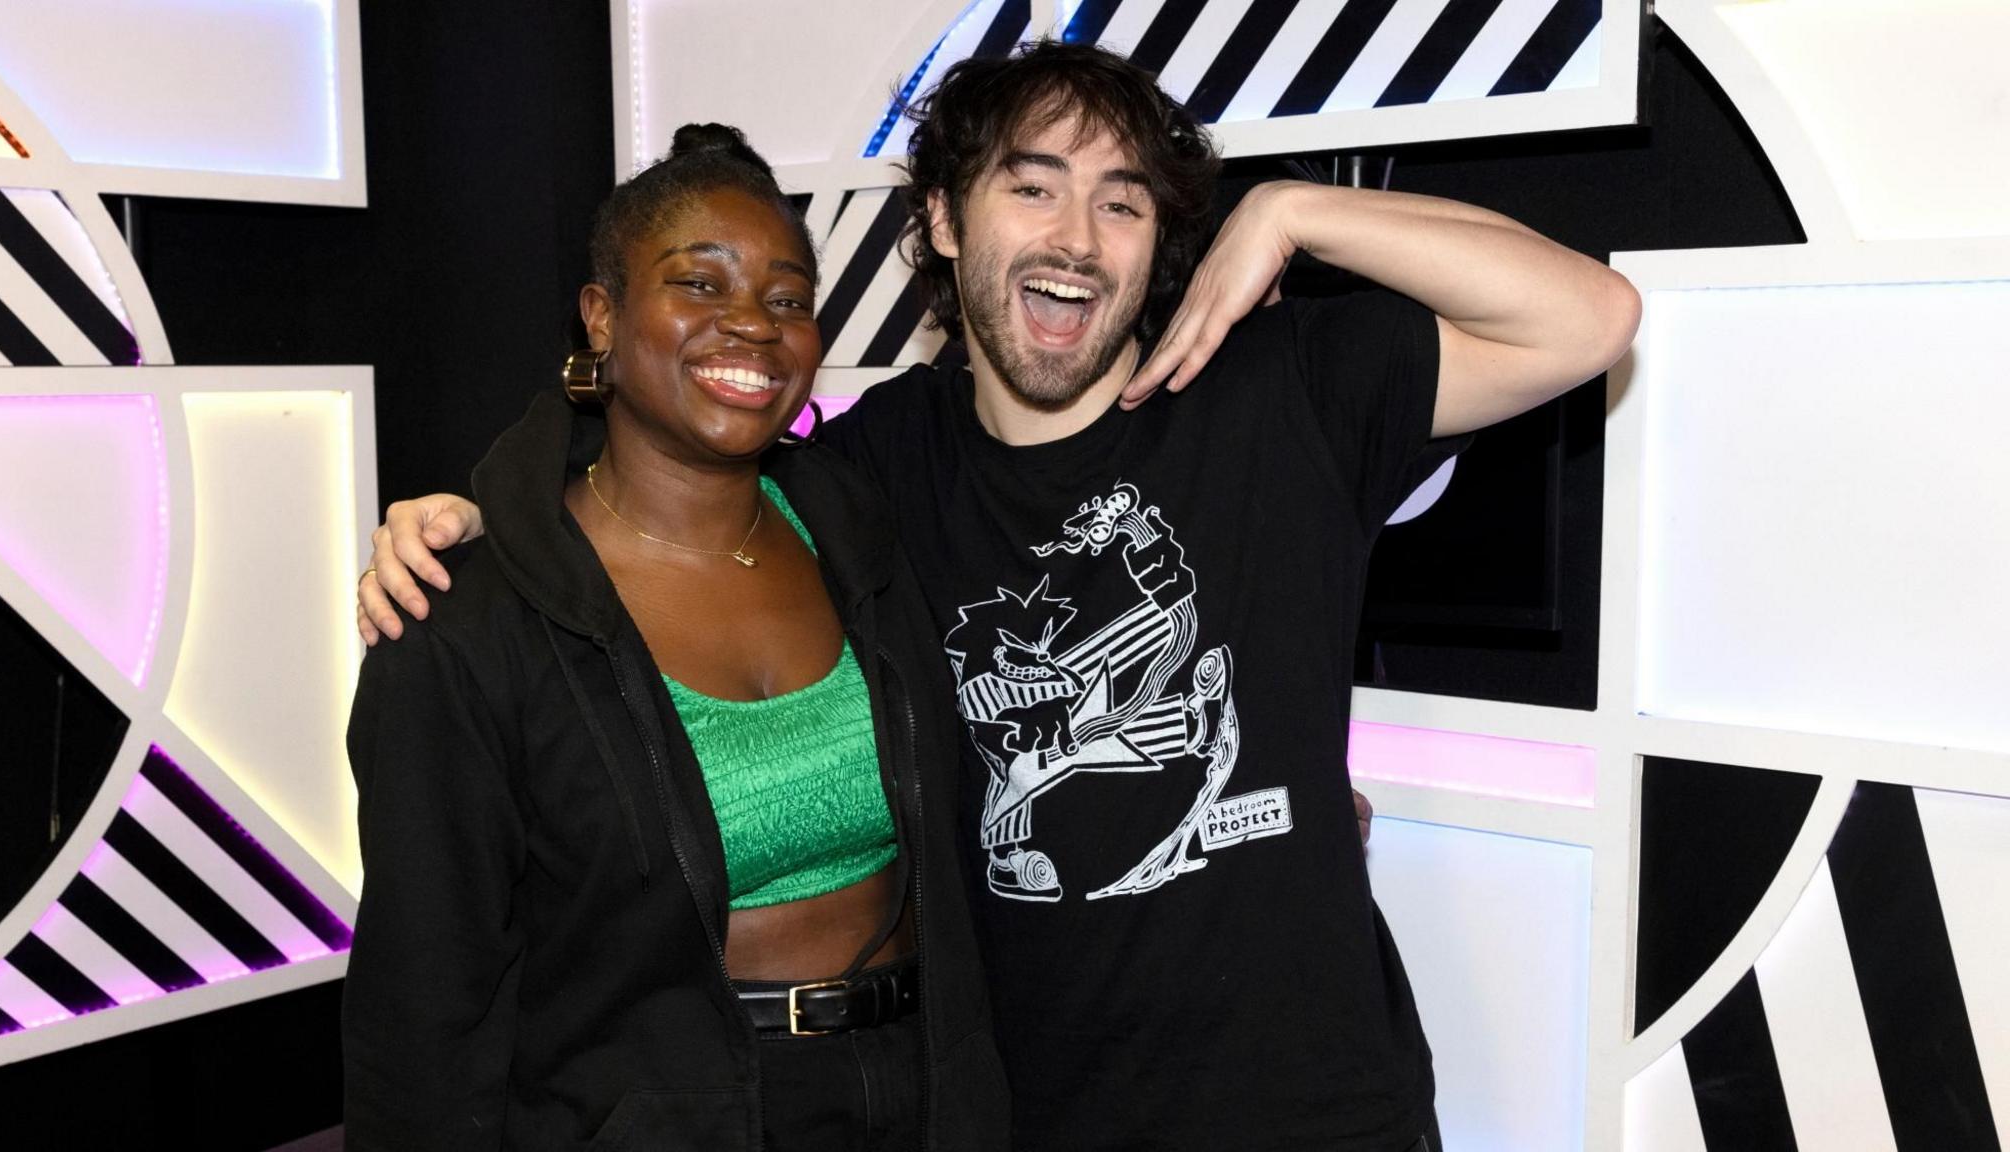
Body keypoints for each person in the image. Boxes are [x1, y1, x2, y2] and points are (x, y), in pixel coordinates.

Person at [360, 43, 1639, 1152]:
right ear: (946, 221)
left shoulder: (1279, 392)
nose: (1076, 239)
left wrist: (1295, 214)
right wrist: (482, 515)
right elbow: (672, 461)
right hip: (1012, 1119)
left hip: (1313, 1114)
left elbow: (1586, 316)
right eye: (1031, 187)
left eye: (1121, 204)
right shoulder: (867, 473)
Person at [341, 124, 1008, 1152]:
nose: (751, 325)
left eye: (787, 300)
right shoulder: (468, 626)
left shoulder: (863, 535)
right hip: (665, 1117)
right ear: (601, 317)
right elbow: (424, 1007)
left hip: (914, 1097)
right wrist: (489, 516)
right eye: (699, 285)